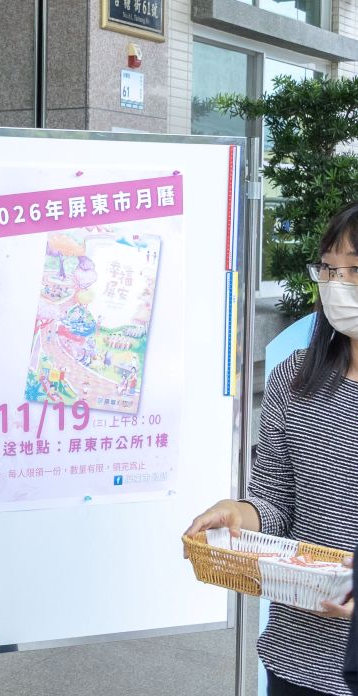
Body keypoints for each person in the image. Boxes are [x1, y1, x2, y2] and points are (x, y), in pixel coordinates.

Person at [186, 202, 358, 696]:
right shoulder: (294, 379)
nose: (337, 285)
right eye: (329, 269)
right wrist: (239, 513)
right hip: (296, 657)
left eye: (354, 270)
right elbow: (277, 502)